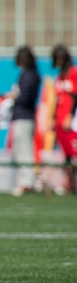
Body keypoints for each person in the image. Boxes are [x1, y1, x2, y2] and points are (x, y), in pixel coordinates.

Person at [11, 46, 41, 196]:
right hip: (23, 115)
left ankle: (27, 183)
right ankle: (26, 181)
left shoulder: (29, 75)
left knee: (24, 150)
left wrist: (14, 98)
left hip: (24, 116)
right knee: (20, 149)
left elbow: (26, 97)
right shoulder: (30, 74)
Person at [51, 45, 77, 193]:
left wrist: (70, 116)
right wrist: (53, 118)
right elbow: (57, 99)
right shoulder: (60, 76)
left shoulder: (73, 73)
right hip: (60, 120)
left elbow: (75, 96)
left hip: (71, 120)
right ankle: (69, 184)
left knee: (74, 152)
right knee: (66, 153)